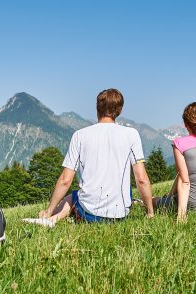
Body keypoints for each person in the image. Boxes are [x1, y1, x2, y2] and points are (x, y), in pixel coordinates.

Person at [24, 88, 154, 227]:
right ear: (120, 111)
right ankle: (51, 219)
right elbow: (141, 179)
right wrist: (150, 212)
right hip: (119, 216)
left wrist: (49, 209)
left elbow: (65, 180)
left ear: (96, 107)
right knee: (126, 190)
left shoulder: (80, 135)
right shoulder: (131, 134)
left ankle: (49, 217)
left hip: (89, 215)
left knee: (73, 196)